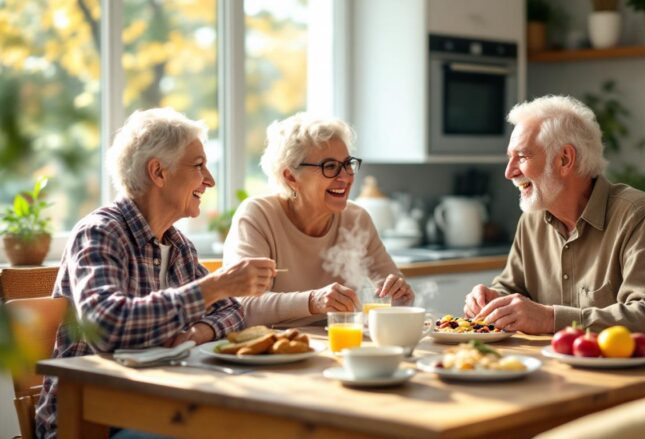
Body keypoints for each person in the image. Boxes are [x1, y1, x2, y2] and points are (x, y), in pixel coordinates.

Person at [36, 108, 278, 438]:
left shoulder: (178, 246)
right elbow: (106, 324)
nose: (210, 180)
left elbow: (232, 312)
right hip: (93, 421)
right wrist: (212, 288)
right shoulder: (100, 232)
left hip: (162, 404)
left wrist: (196, 334)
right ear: (158, 172)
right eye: (198, 166)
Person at [463, 95, 645, 344]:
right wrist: (494, 299)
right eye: (510, 157)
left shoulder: (636, 214)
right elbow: (513, 289)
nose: (509, 172)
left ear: (564, 159)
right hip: (568, 370)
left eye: (523, 156)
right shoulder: (532, 219)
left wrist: (550, 319)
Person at [223, 112, 413, 327]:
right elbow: (242, 306)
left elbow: (396, 297)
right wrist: (313, 301)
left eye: (347, 164)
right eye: (330, 166)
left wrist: (399, 295)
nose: (345, 177)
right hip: (274, 351)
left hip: (339, 346)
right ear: (291, 177)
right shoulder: (258, 215)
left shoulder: (356, 219)